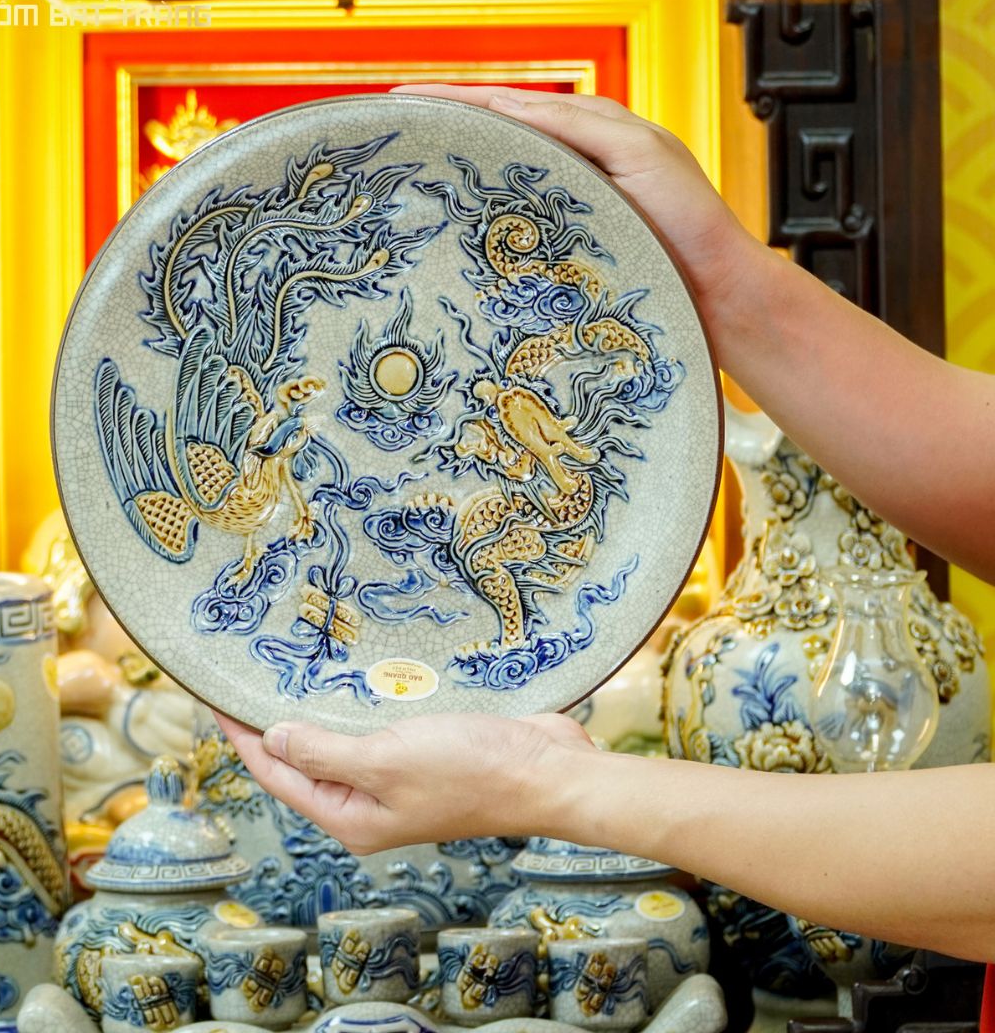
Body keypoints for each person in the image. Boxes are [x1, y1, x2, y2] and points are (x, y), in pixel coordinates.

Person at [217, 83, 995, 966]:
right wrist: (713, 279)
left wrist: (553, 786)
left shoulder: (528, 414)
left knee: (477, 547)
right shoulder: (491, 403)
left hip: (545, 505)